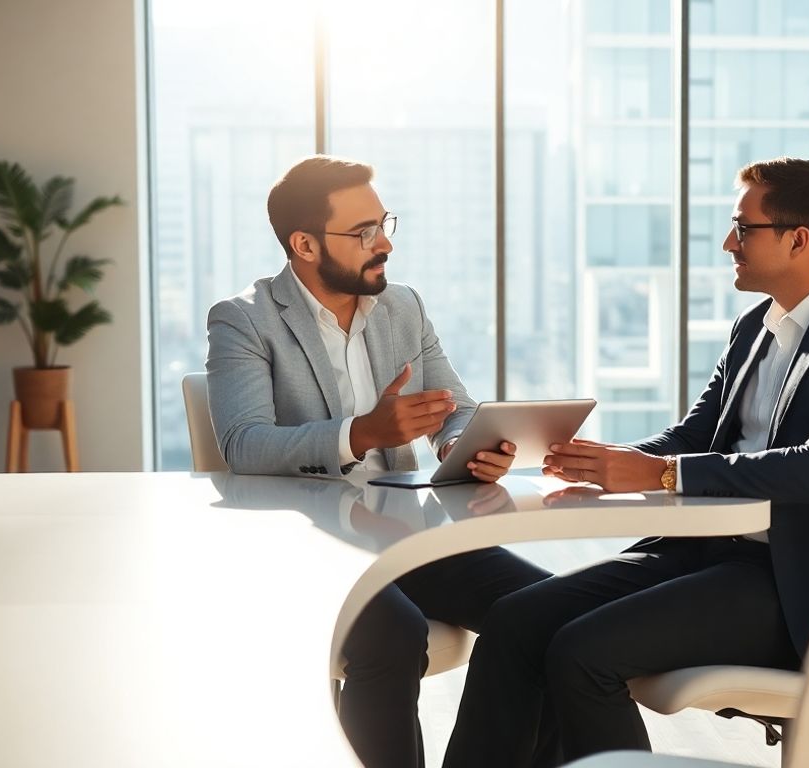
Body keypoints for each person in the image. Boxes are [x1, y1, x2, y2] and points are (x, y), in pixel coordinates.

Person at [444, 157, 809, 766]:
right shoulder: (755, 325)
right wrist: (601, 461)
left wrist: (663, 475)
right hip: (701, 550)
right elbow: (698, 433)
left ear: (799, 238)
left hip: (793, 578)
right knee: (516, 622)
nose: (729, 243)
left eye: (743, 228)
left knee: (581, 653)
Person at [205, 155, 550, 768]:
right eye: (363, 232)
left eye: (383, 223)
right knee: (393, 634)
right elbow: (244, 443)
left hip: (405, 531)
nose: (384, 242)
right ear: (304, 244)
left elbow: (457, 408)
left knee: (547, 610)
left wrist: (458, 445)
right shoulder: (244, 319)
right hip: (310, 544)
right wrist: (359, 434)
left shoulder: (402, 307)